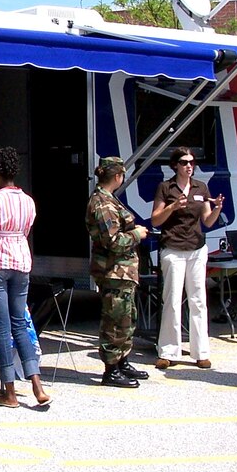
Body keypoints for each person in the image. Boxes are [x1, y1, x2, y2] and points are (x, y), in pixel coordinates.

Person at [0, 147, 51, 409]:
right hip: (21, 263)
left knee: (1, 326)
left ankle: (9, 391)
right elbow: (26, 230)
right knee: (20, 323)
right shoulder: (28, 201)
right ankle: (37, 385)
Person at [151, 147, 225, 371]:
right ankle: (167, 351)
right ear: (175, 165)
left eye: (192, 162)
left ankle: (201, 352)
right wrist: (173, 207)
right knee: (172, 300)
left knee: (198, 300)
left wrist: (217, 209)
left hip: (196, 248)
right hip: (173, 248)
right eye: (184, 162)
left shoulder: (200, 187)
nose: (189, 166)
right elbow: (155, 220)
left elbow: (208, 221)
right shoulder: (166, 187)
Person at [86, 156, 150, 388]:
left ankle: (122, 360)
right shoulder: (102, 204)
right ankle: (111, 370)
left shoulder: (110, 199)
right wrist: (137, 235)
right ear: (117, 176)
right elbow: (112, 240)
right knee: (114, 321)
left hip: (123, 272)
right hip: (113, 272)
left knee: (126, 318)